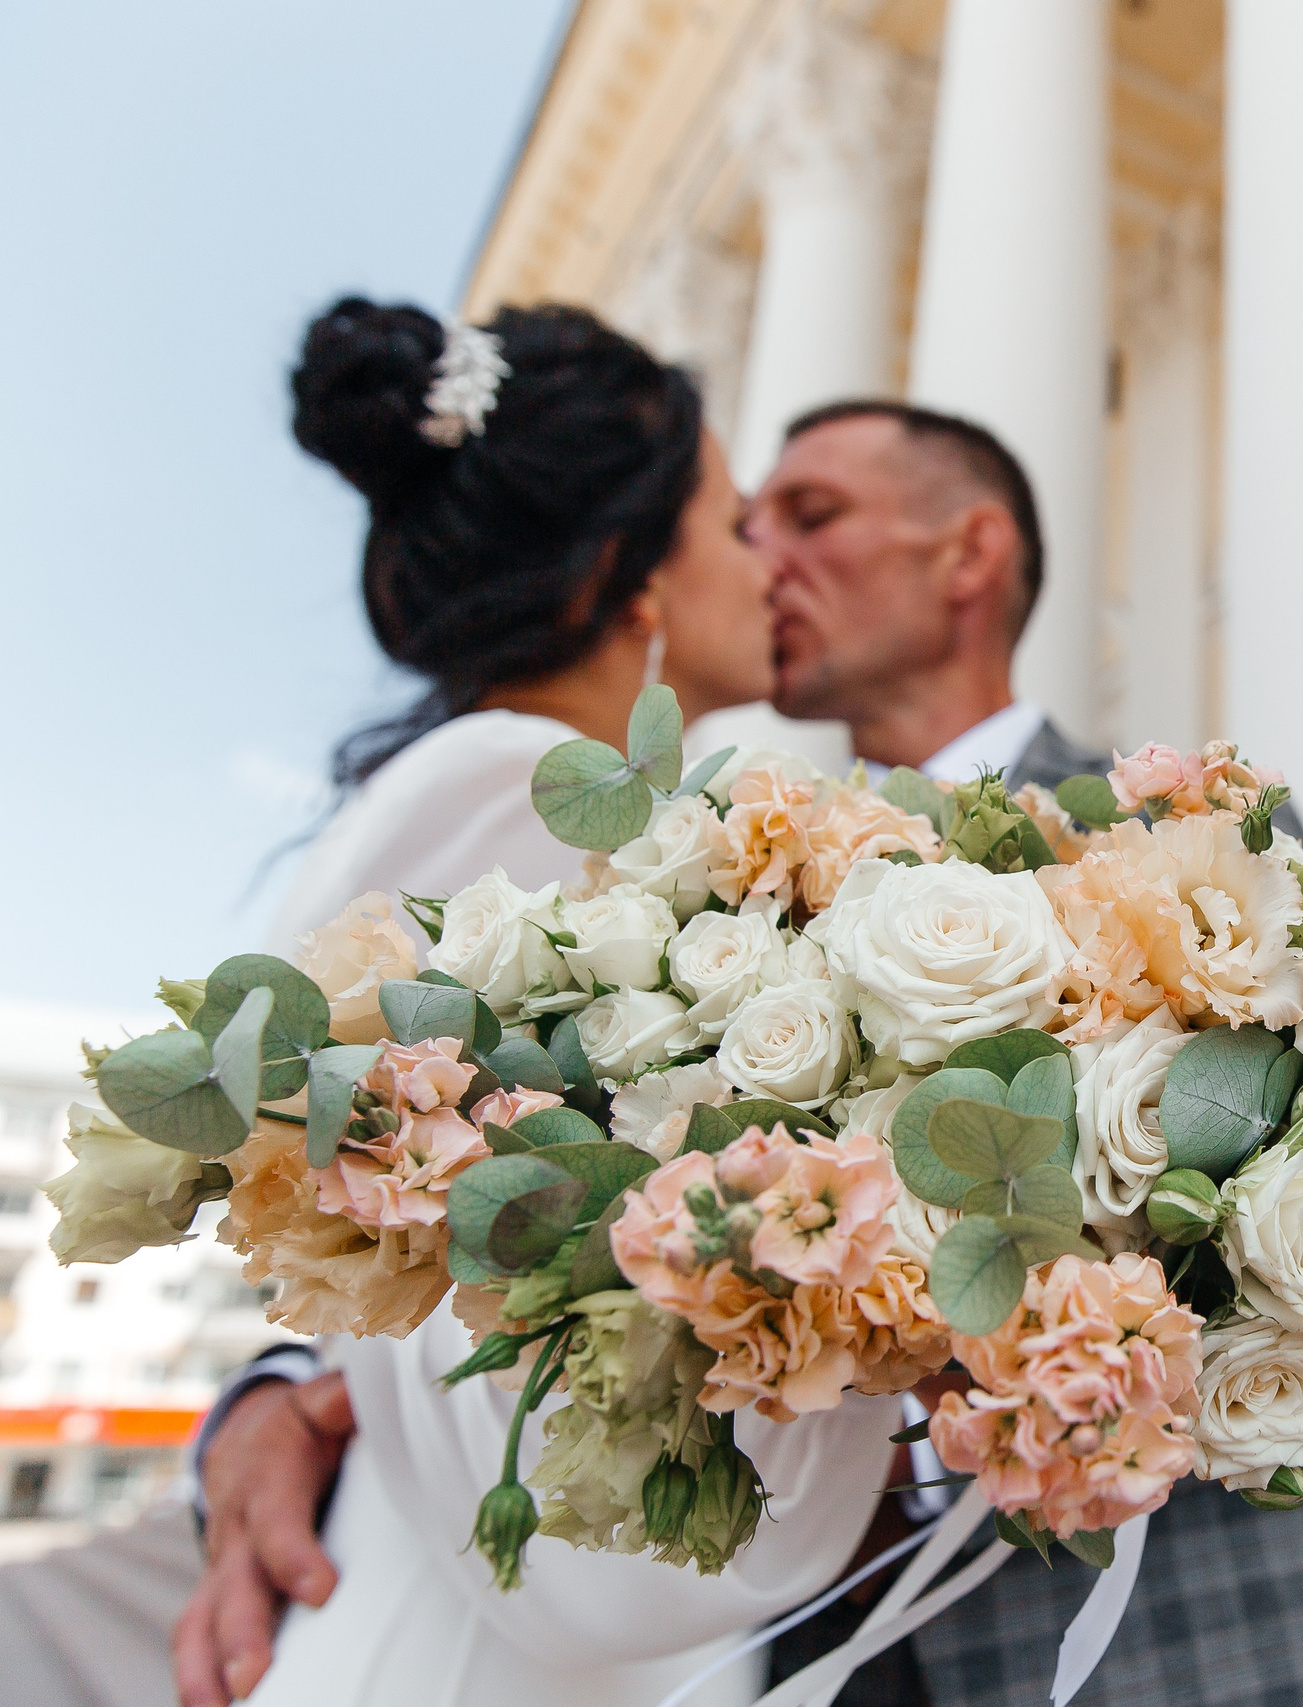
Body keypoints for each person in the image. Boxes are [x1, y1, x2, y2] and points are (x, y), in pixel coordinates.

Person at [176, 300, 898, 1707]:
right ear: (635, 583)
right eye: (733, 521)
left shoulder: (499, 791)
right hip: (494, 1627)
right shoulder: (508, 798)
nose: (765, 567)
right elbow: (442, 1281)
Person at [746, 401, 1303, 1707]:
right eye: (749, 526)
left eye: (810, 517)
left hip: (1169, 1643)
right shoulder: (734, 906)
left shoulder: (1197, 845)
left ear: (968, 557)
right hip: (809, 1641)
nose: (761, 556)